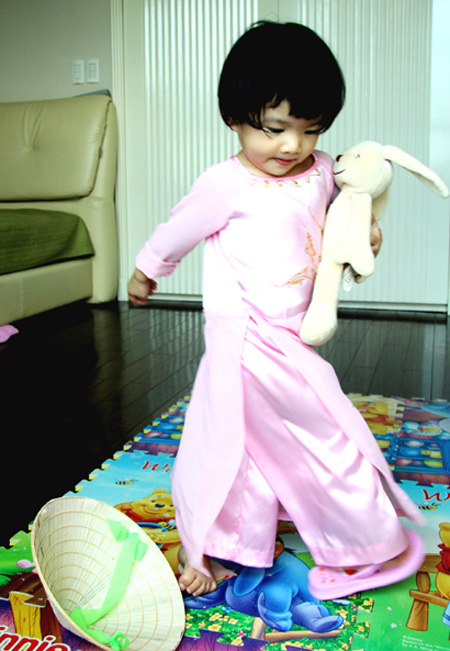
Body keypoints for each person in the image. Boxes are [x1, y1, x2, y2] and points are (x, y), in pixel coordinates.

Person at [128, 21, 424, 600]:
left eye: (310, 130)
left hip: (295, 335)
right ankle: (357, 542)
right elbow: (177, 229)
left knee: (253, 442)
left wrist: (367, 233)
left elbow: (346, 221)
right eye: (275, 129)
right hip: (247, 339)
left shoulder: (323, 170)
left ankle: (234, 542)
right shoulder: (225, 183)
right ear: (234, 118)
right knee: (300, 432)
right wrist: (147, 270)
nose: (293, 146)